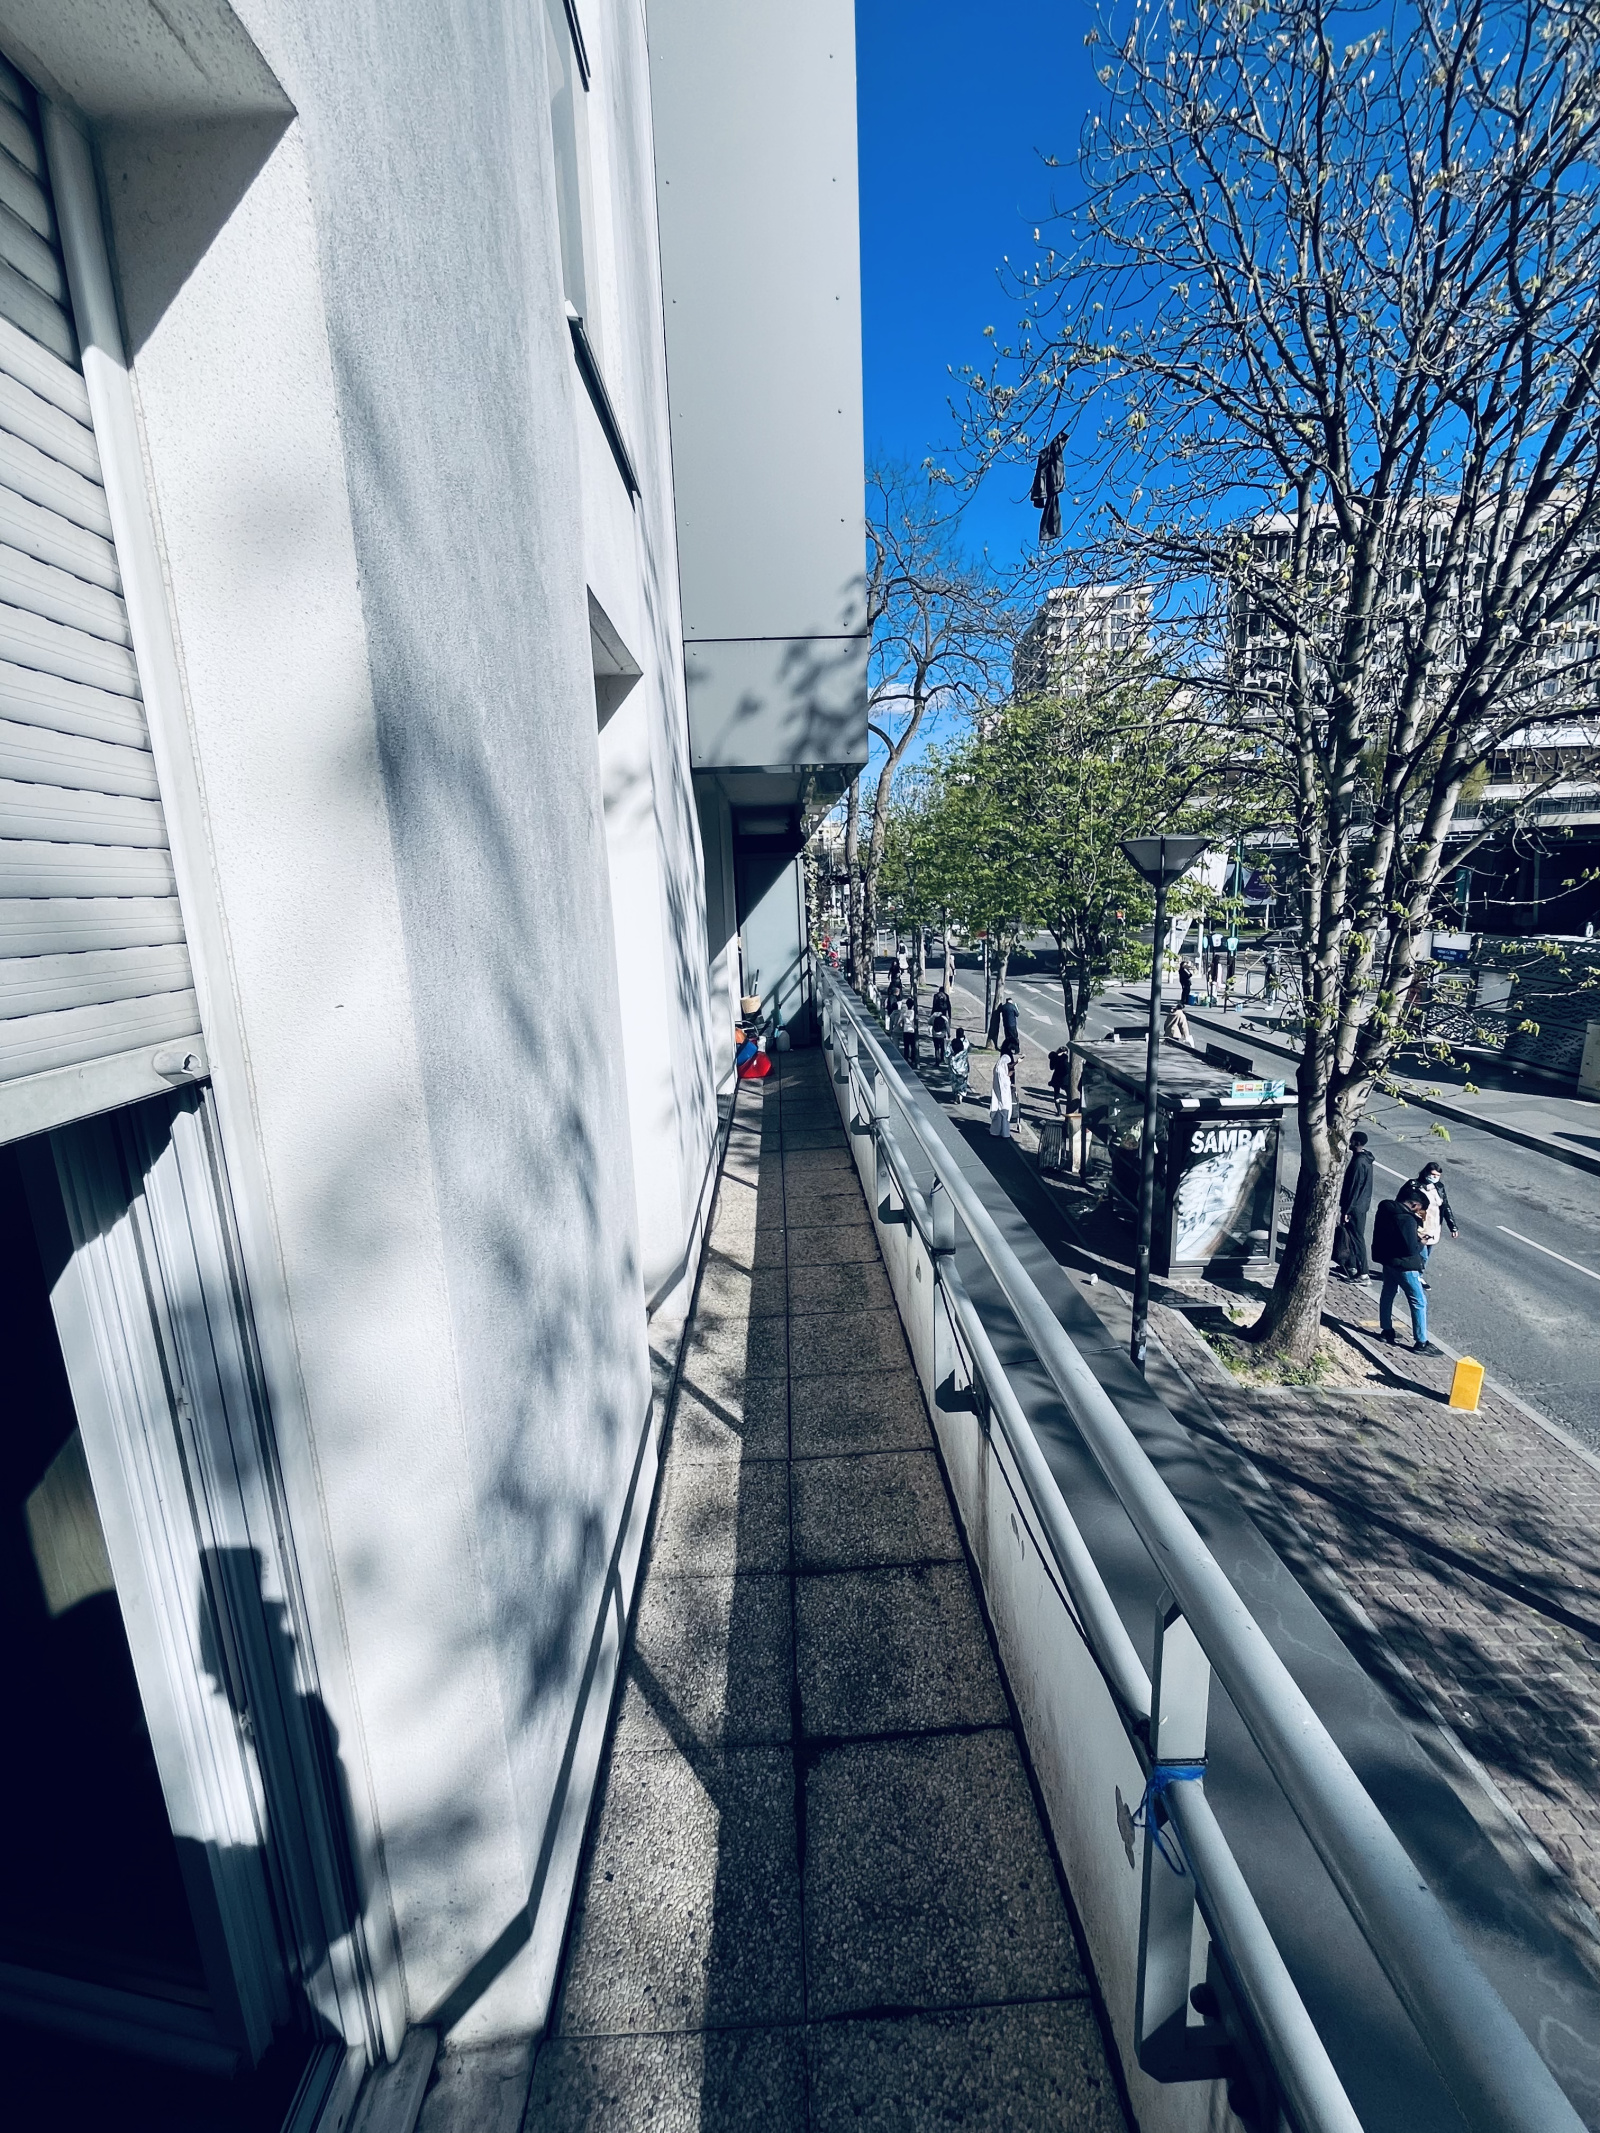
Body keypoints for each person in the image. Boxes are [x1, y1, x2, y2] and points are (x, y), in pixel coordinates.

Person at [1371, 1187, 1444, 1355]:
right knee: (1418, 1301)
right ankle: (1421, 1342)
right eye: (1420, 1209)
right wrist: (1421, 1242)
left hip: (1388, 1260)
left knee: (1388, 1293)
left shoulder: (1386, 1209)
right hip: (1405, 1266)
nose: (1420, 1213)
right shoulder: (1407, 1219)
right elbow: (1411, 1249)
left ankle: (1386, 1330)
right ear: (1415, 1205)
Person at [1404, 1159, 1459, 1286]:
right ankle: (1415, 1277)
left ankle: (1418, 1275)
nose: (1435, 1177)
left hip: (1434, 1227)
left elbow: (1445, 1206)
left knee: (1427, 1255)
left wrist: (1453, 1226)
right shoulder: (1414, 1186)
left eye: (1437, 1175)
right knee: (1422, 1255)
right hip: (1420, 1227)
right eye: (1432, 1174)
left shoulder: (1439, 1187)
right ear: (1426, 1173)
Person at [1333, 1131, 1374, 1281]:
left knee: (1357, 1238)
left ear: (1356, 1142)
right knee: (1352, 1236)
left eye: (1351, 1140)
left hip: (1355, 1207)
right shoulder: (1365, 1159)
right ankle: (1351, 1265)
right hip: (1361, 1205)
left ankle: (1363, 1273)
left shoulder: (1358, 1163)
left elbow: (1354, 1189)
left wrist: (1347, 1210)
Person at [989, 1046, 1015, 1138]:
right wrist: (1009, 1076)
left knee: (997, 1114)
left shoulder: (998, 1068)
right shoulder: (1001, 1072)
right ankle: (1004, 1132)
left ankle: (995, 1131)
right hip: (1003, 1096)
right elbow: (1005, 1083)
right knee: (1004, 1113)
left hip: (997, 1094)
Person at [895, 996, 917, 1066]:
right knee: (913, 1046)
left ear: (907, 1005)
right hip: (912, 1031)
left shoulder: (904, 1012)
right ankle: (913, 1059)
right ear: (913, 1005)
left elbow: (899, 1023)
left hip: (906, 1030)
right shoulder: (914, 1013)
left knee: (906, 1046)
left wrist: (902, 1025)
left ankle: (906, 1058)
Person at [950, 1027, 971, 1099]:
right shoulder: (966, 1042)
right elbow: (969, 1050)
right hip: (964, 1064)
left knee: (955, 1080)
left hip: (954, 1065)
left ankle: (956, 1093)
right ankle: (961, 1092)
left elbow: (947, 1053)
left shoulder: (953, 1042)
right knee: (963, 1080)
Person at [930, 998, 950, 1066]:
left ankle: (937, 1061)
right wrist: (948, 1034)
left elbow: (929, 1022)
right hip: (942, 1034)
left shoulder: (934, 1016)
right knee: (942, 1047)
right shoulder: (944, 1017)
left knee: (936, 1048)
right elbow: (947, 1026)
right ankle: (942, 1059)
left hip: (935, 1034)